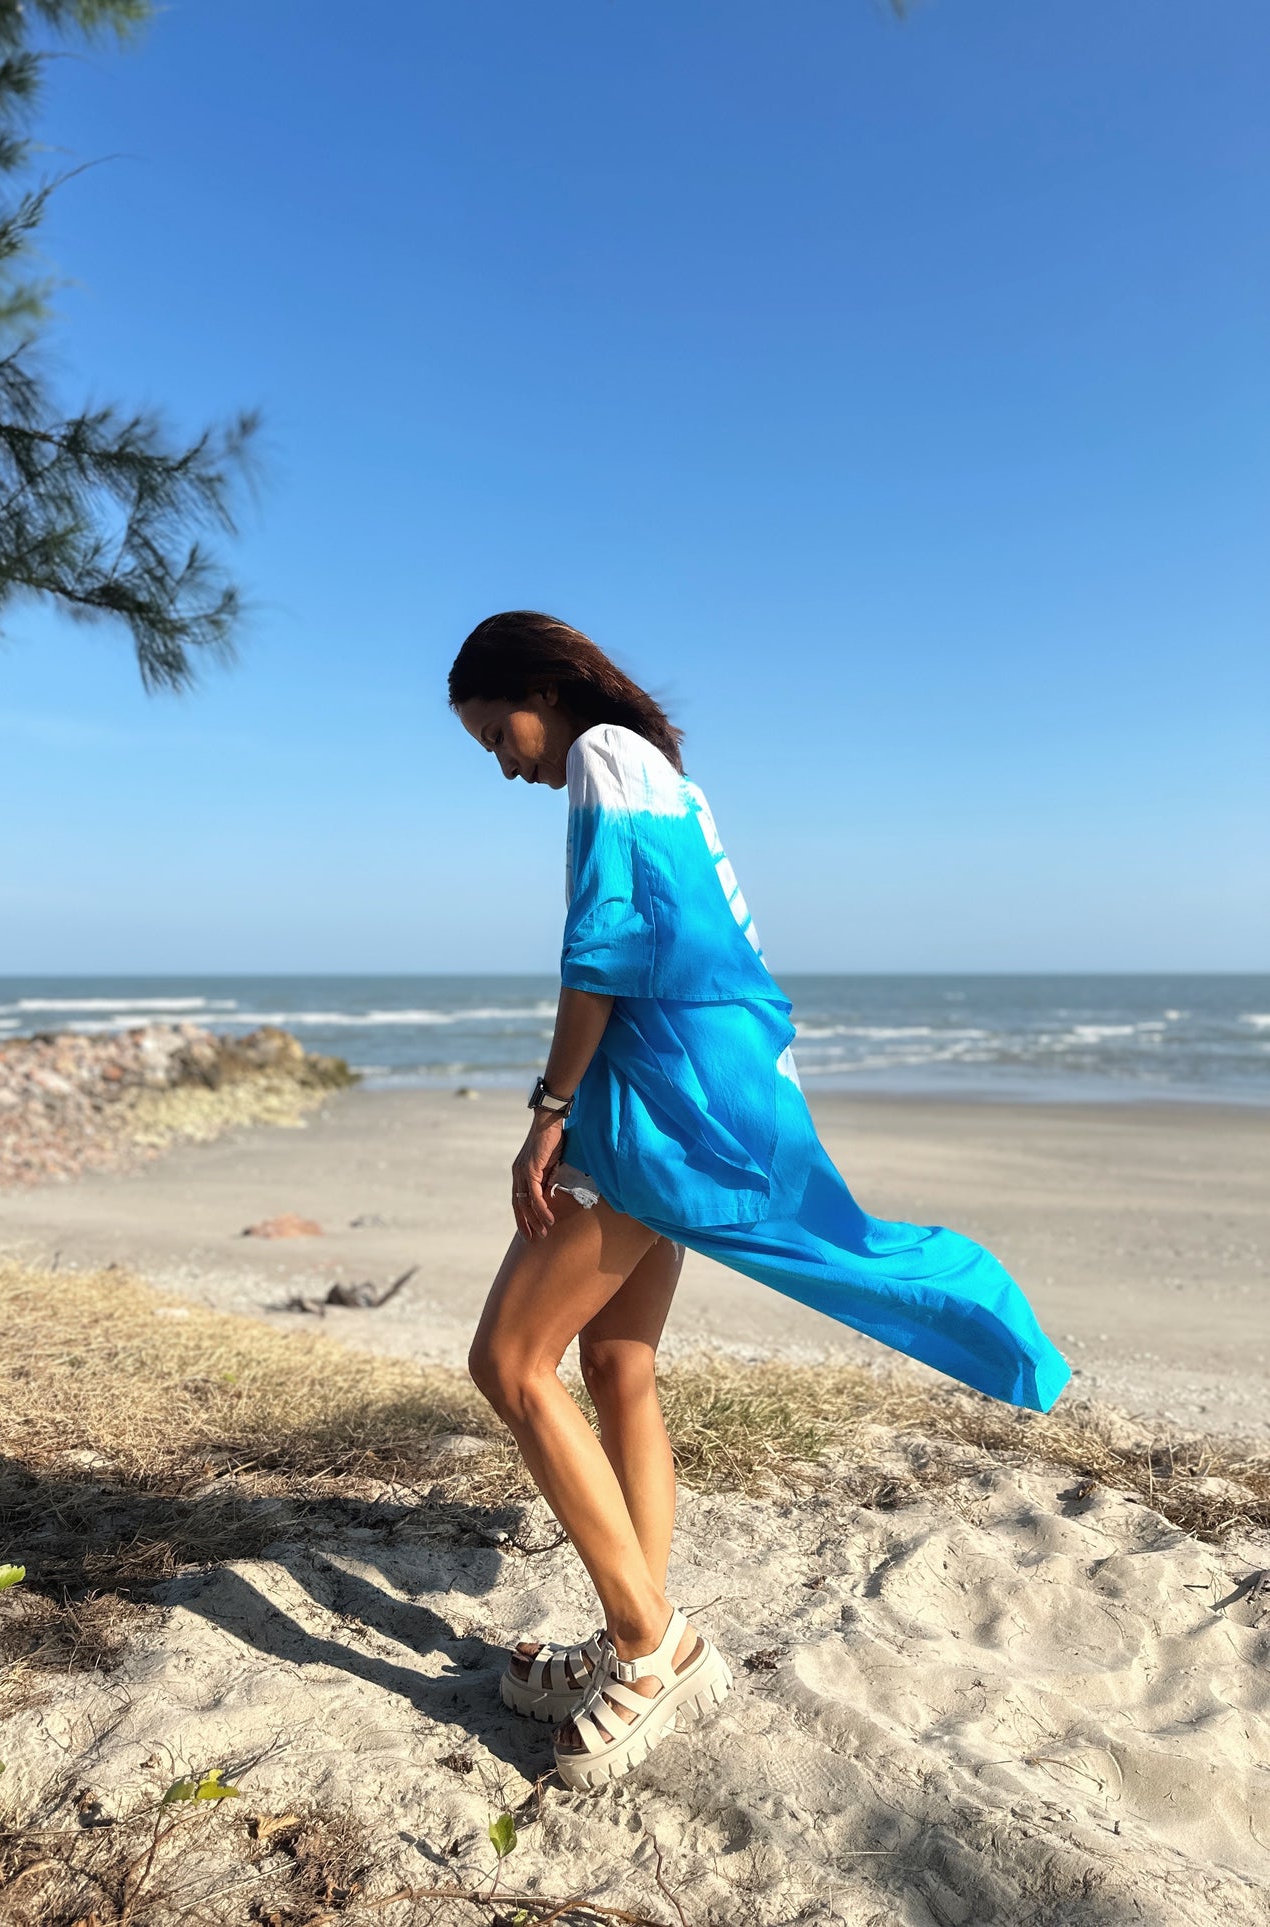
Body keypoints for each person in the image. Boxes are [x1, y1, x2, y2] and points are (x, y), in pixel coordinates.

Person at [449, 610, 1070, 1792]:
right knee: (616, 1364)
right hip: (708, 1083)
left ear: (539, 689)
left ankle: (648, 1643)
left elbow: (605, 953)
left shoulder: (599, 759)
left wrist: (547, 1108)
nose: (504, 762)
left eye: (495, 733)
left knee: (511, 1364)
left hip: (661, 1099)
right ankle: (635, 1622)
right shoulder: (659, 770)